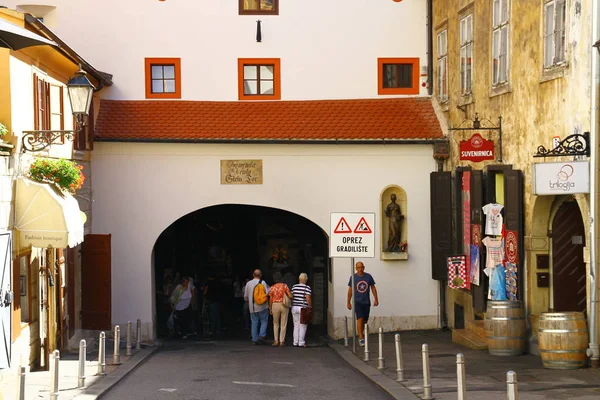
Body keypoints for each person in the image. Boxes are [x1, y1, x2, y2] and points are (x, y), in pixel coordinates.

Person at [347, 262, 379, 346]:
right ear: (356, 268)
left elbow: (373, 287)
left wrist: (376, 299)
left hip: (366, 302)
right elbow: (350, 290)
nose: (360, 269)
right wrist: (348, 302)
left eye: (361, 267)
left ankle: (362, 333)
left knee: (365, 320)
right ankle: (361, 337)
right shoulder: (353, 278)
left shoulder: (368, 277)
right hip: (357, 302)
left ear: (364, 268)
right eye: (358, 267)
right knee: (360, 318)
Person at [243, 269, 270, 344]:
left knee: (254, 323)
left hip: (252, 307)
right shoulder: (263, 282)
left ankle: (254, 339)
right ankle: (261, 335)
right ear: (261, 275)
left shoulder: (248, 283)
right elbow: (268, 293)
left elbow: (245, 296)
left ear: (253, 275)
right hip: (262, 306)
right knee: (264, 321)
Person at [268, 277, 292, 347]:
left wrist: (270, 308)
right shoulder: (284, 286)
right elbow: (290, 295)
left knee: (275, 324)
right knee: (283, 324)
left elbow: (271, 299)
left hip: (275, 305)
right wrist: (292, 295)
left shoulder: (272, 287)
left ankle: (276, 341)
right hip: (284, 305)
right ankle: (282, 341)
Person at [291, 273, 312, 347]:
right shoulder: (307, 287)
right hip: (303, 308)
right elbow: (308, 298)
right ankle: (301, 342)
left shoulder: (294, 287)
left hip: (294, 307)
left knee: (296, 325)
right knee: (303, 325)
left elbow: (292, 296)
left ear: (299, 279)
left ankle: (295, 342)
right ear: (306, 279)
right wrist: (309, 306)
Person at [203, 275, 221, 339]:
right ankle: (218, 329)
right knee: (217, 316)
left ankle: (212, 330)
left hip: (212, 301)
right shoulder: (218, 283)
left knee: (212, 316)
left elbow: (205, 292)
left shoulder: (208, 283)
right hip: (217, 301)